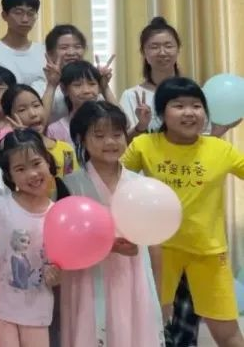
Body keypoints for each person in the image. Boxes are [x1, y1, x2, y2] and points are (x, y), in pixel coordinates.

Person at [122, 77, 244, 347]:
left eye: (196, 106)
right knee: (154, 326)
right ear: (162, 113)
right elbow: (113, 179)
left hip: (208, 251)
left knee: (227, 330)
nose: (189, 112)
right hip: (160, 250)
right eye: (179, 106)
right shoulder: (144, 145)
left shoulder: (220, 149)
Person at [60, 101, 163, 347]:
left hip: (133, 275)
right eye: (99, 135)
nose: (110, 142)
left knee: (133, 331)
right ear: (81, 139)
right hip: (87, 279)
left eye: (117, 134)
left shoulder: (139, 184)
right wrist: (108, 245)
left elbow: (154, 241)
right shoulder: (69, 185)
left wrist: (160, 293)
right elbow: (64, 244)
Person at [0, 129, 61, 347]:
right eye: (20, 169)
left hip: (38, 310)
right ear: (9, 176)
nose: (32, 174)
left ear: (48, 161)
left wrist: (57, 276)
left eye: (36, 163)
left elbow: (59, 269)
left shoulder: (58, 215)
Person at [119, 17, 181, 136]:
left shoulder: (192, 92)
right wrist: (141, 126)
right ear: (143, 52)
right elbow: (123, 141)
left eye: (168, 46)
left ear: (178, 49)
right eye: (154, 47)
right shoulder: (131, 96)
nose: (162, 52)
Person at [2, 84, 78, 179]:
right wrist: (23, 138)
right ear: (9, 119)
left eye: (36, 105)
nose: (33, 114)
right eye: (22, 110)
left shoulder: (65, 150)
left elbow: (71, 182)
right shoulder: (11, 154)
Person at [0, 0, 47, 93]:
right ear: (4, 15)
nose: (25, 19)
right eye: (18, 13)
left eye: (30, 13)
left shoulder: (44, 52)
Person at [45, 61, 116, 145]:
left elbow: (125, 125)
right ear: (64, 89)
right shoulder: (55, 130)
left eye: (92, 84)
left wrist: (106, 87)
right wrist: (51, 84)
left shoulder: (109, 122)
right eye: (77, 85)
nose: (86, 91)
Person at [43, 24, 88, 121]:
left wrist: (104, 88)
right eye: (64, 48)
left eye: (77, 47)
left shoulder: (90, 82)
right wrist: (51, 86)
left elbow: (120, 122)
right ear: (50, 54)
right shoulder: (41, 86)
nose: (71, 53)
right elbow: (39, 123)